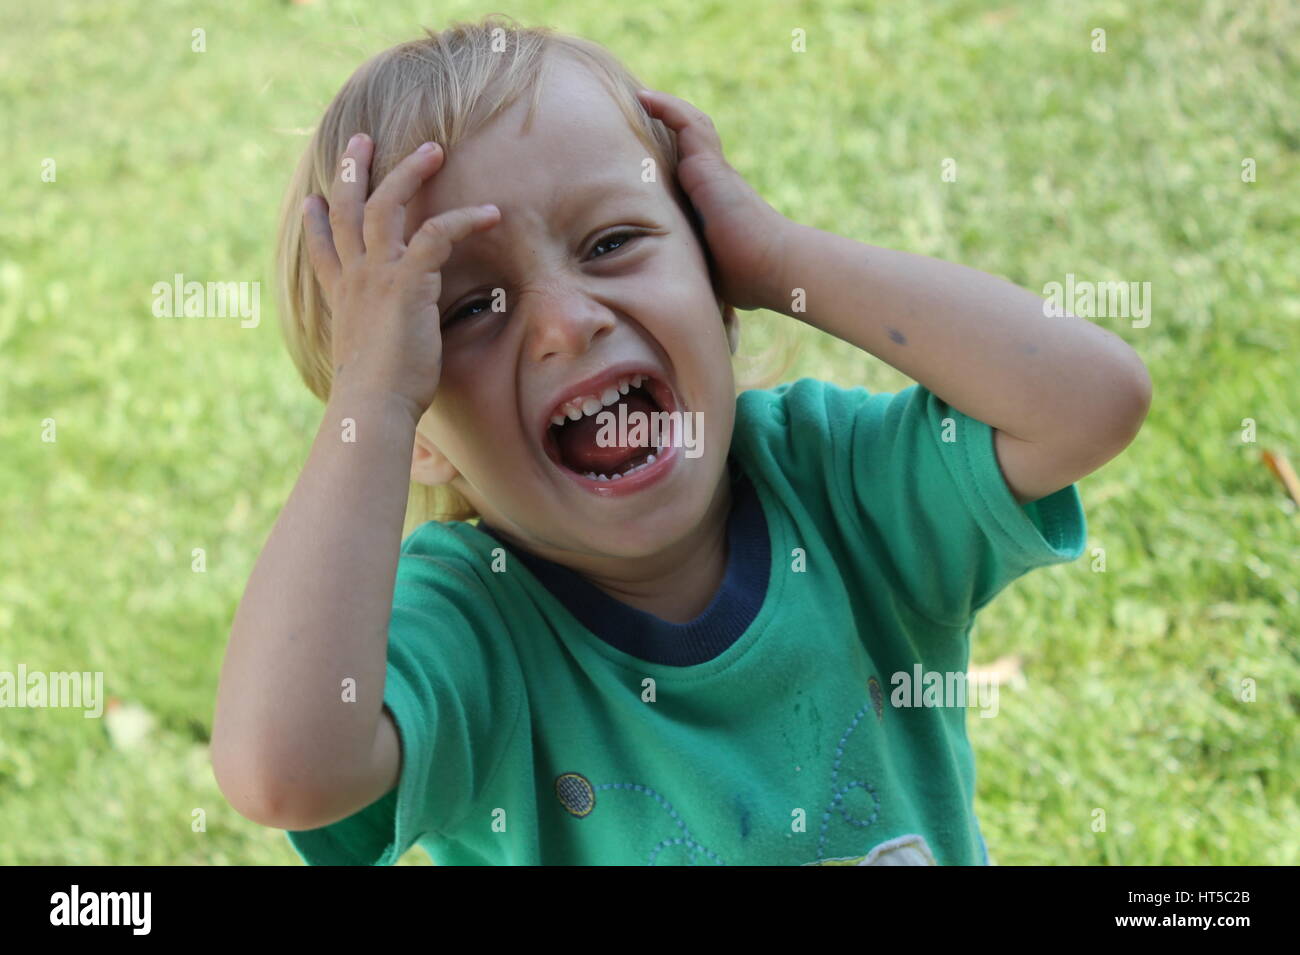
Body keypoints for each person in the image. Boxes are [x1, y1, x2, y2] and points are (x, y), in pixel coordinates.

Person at [211, 16, 1151, 865]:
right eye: (464, 309)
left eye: (614, 241)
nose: (568, 322)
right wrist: (372, 399)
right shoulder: (476, 629)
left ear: (717, 282)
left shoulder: (836, 491)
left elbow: (1092, 400)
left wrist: (779, 258)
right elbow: (284, 772)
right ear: (419, 435)